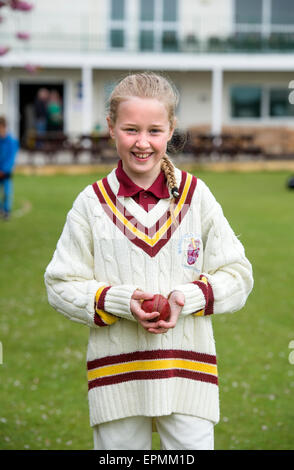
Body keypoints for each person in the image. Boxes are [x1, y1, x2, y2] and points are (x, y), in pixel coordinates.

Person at [44, 72, 253, 450]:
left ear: (171, 129)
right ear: (110, 128)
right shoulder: (90, 204)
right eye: (130, 130)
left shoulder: (195, 195)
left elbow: (238, 275)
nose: (143, 143)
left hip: (187, 374)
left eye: (155, 130)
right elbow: (60, 284)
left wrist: (185, 299)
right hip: (118, 377)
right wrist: (120, 302)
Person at [0, 116, 19, 220]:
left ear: (4, 127)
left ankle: (7, 211)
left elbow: (11, 158)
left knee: (7, 192)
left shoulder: (11, 141)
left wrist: (4, 170)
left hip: (6, 172)